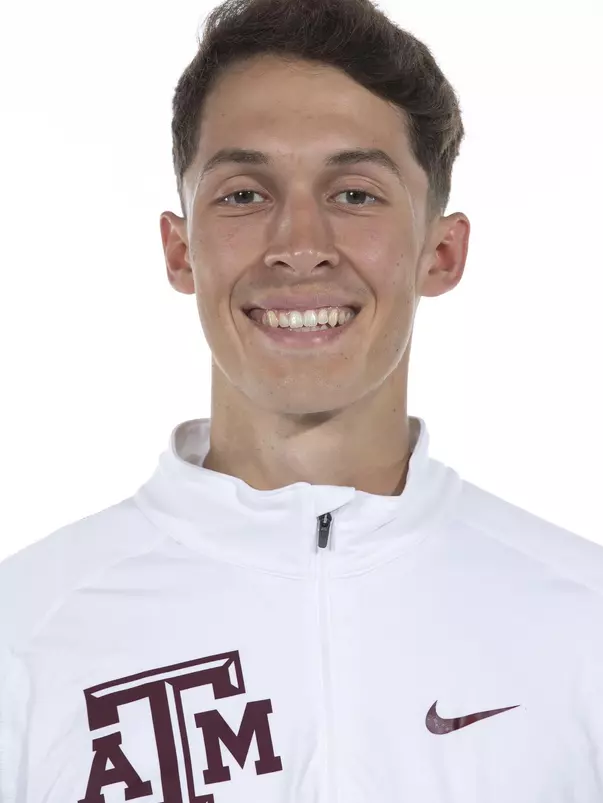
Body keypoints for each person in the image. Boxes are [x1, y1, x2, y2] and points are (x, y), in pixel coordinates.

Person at [1, 0, 602, 799]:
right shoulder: (26, 633)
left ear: (441, 251)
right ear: (180, 251)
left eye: (354, 194)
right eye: (244, 195)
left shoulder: (581, 623)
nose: (298, 247)